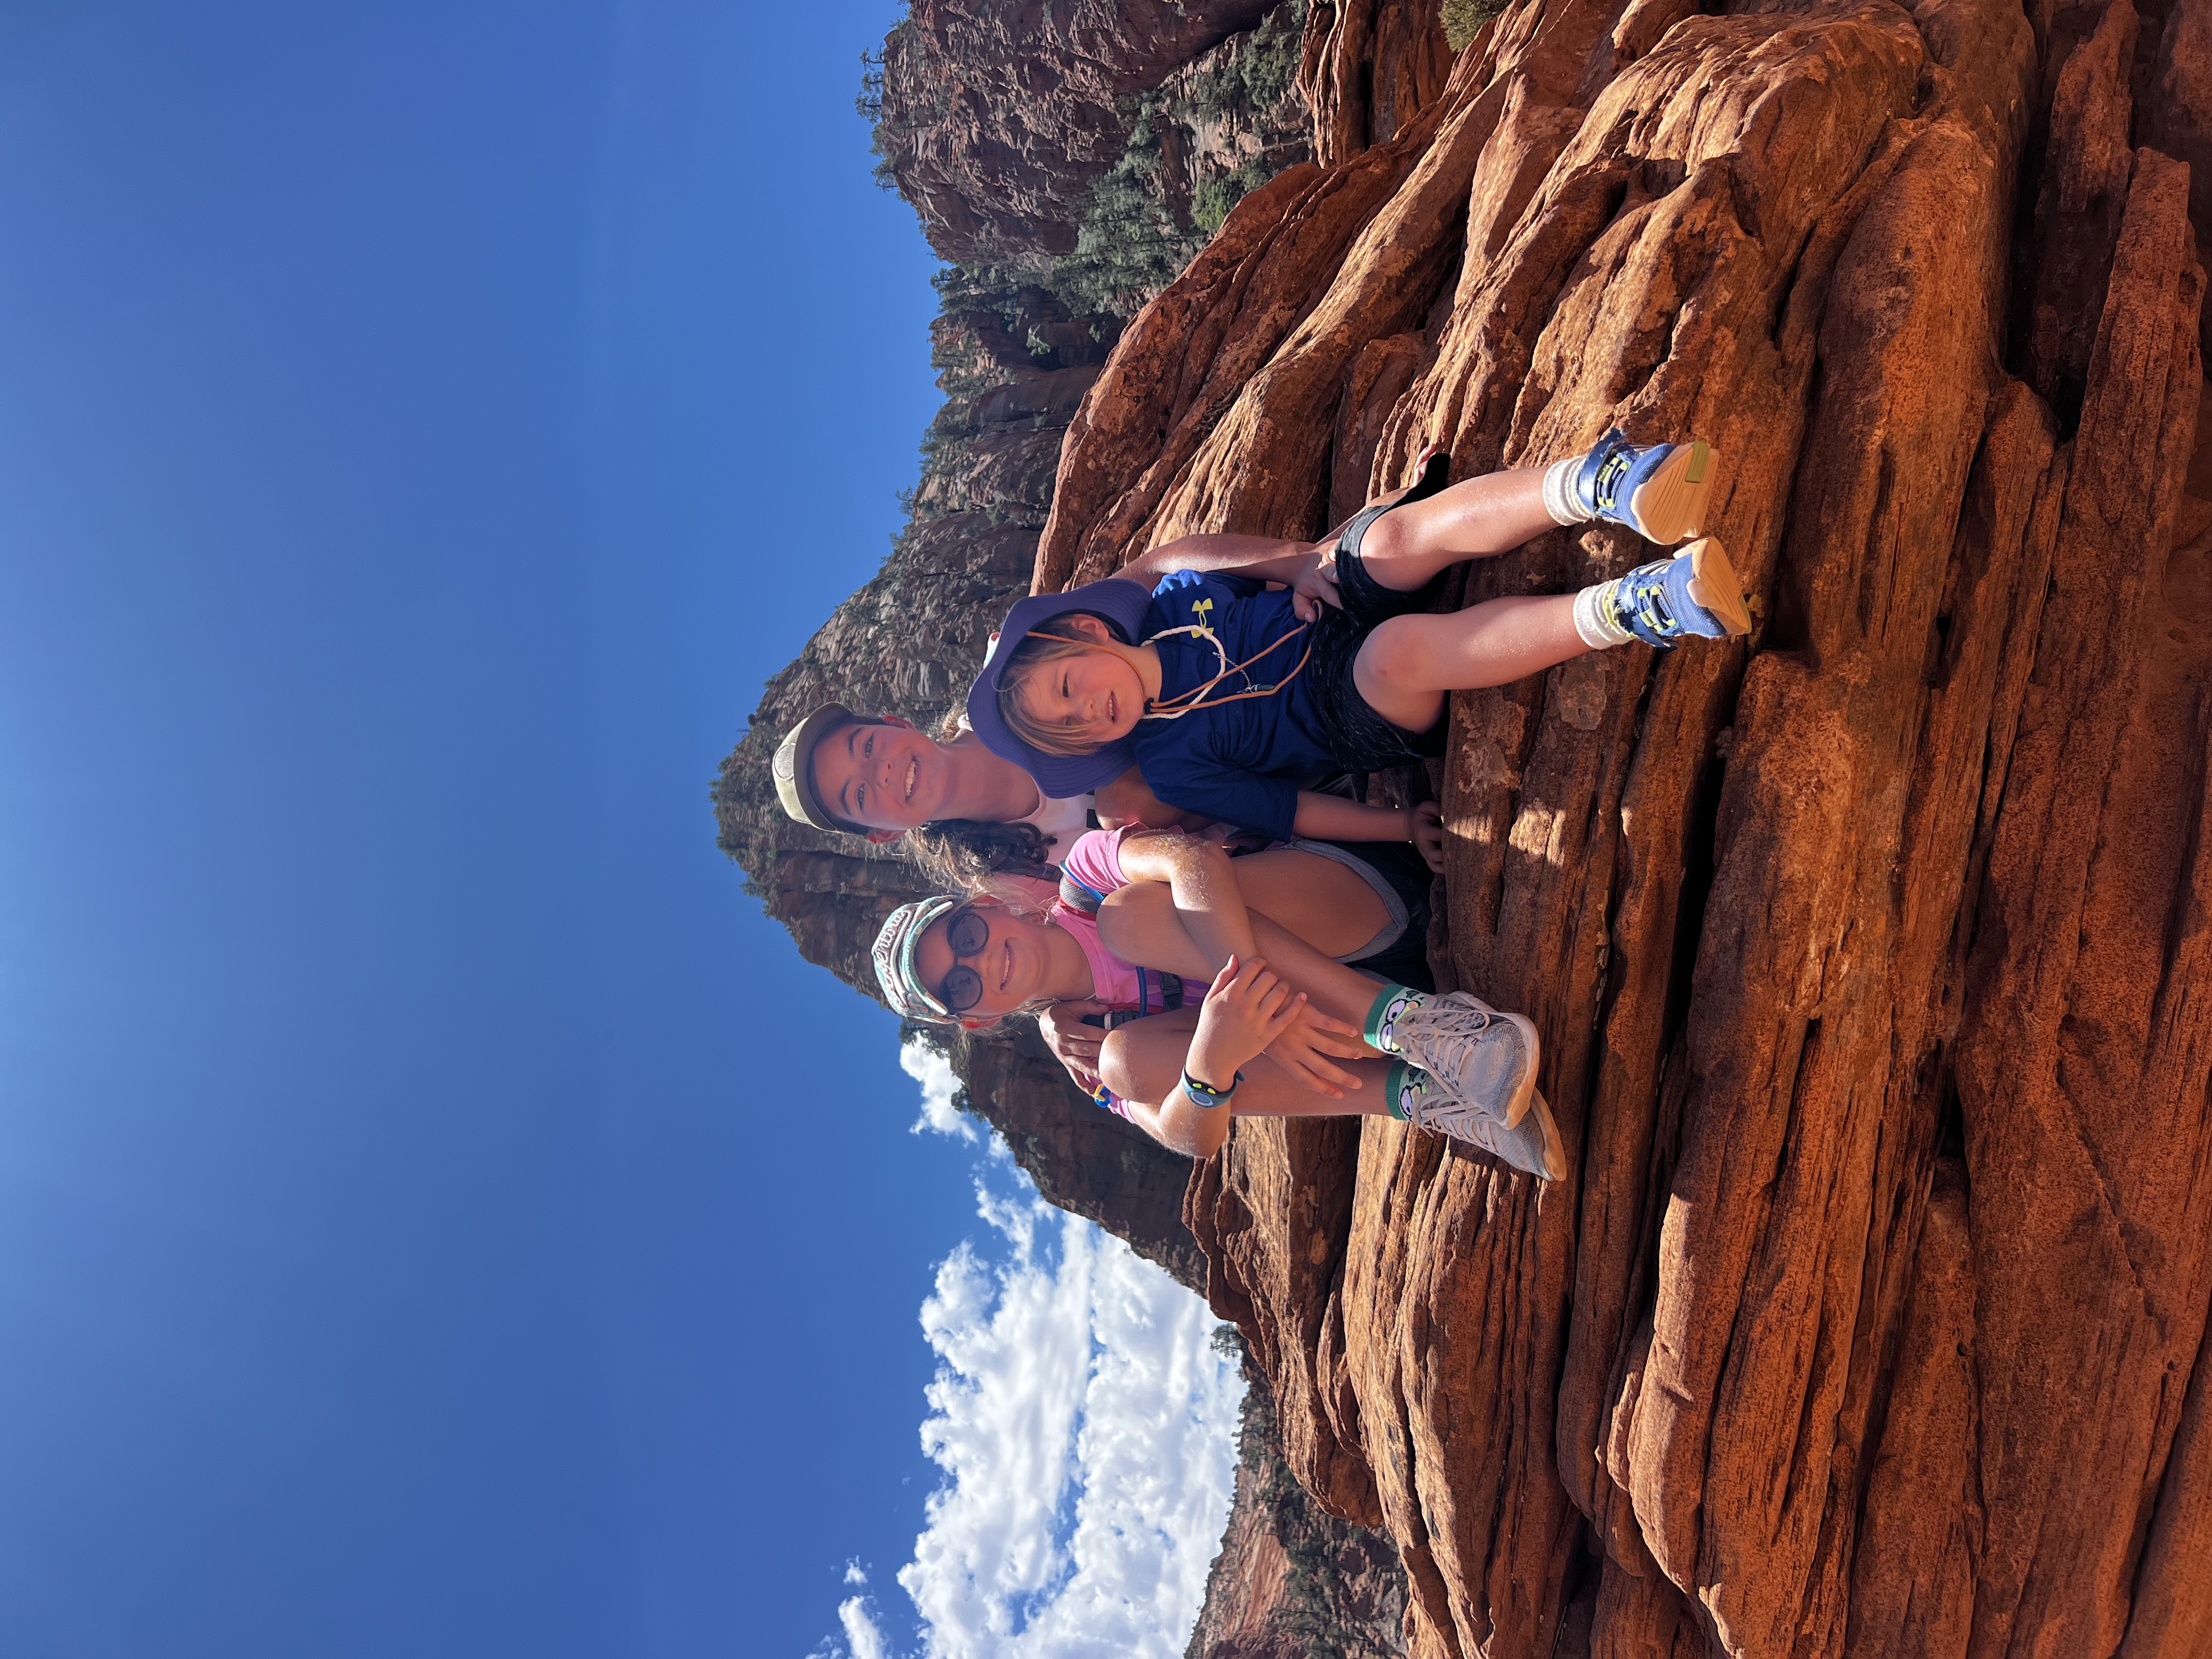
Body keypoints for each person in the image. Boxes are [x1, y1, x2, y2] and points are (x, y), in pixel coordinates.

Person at [962, 431, 1746, 842]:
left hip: (1319, 606)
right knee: (1398, 651)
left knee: (1384, 546)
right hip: (1343, 708)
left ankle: (1607, 484)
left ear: (1090, 631)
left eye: (1069, 689)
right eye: (1068, 732)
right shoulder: (1171, 768)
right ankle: (1639, 604)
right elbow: (1291, 811)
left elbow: (1270, 566)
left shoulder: (1178, 597)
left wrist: (1303, 567)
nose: (1086, 713)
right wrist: (1397, 827)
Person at [870, 825, 1566, 1178]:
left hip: (1357, 907)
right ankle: (1428, 1094)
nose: (978, 961)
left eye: (963, 933)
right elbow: (1187, 1139)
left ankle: (1426, 1029)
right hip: (1342, 1033)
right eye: (958, 986)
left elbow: (1193, 863)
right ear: (980, 1019)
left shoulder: (1083, 878)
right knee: (1129, 1064)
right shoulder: (1088, 1051)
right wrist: (1212, 1059)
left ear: (988, 904)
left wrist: (1273, 1009)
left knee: (1129, 915)